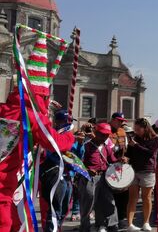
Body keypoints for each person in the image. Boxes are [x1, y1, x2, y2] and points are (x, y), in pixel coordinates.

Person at [0, 32, 75, 231]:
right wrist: (70, 134)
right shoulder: (32, 116)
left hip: (13, 185)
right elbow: (56, 143)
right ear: (40, 96)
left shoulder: (5, 109)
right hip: (4, 187)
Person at [39, 109, 78, 231]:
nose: (69, 124)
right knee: (55, 209)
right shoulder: (52, 135)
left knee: (64, 209)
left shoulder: (71, 136)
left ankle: (57, 228)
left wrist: (80, 144)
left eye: (69, 121)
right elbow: (47, 154)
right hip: (54, 175)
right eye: (66, 121)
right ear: (58, 122)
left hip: (67, 176)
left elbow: (77, 157)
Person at [79, 123, 121, 232]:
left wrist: (120, 160)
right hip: (90, 178)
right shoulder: (86, 146)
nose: (105, 137)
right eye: (102, 135)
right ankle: (85, 227)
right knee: (88, 203)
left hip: (104, 177)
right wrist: (87, 170)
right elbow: (78, 163)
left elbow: (112, 160)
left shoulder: (106, 147)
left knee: (109, 201)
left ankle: (112, 225)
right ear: (96, 133)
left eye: (107, 135)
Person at [125, 118, 158, 231]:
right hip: (134, 170)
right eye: (135, 129)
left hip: (148, 171)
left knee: (147, 197)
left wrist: (136, 145)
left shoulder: (155, 139)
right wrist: (125, 157)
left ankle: (146, 222)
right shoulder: (134, 138)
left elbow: (150, 153)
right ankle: (130, 225)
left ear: (145, 128)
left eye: (138, 129)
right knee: (132, 198)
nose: (136, 131)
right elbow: (129, 154)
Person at [109, 112, 130, 227]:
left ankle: (121, 218)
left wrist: (126, 157)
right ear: (112, 120)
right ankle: (110, 220)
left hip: (121, 166)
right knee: (110, 196)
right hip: (109, 167)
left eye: (122, 121)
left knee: (123, 194)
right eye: (119, 120)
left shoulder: (123, 132)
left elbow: (126, 149)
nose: (121, 123)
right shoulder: (105, 130)